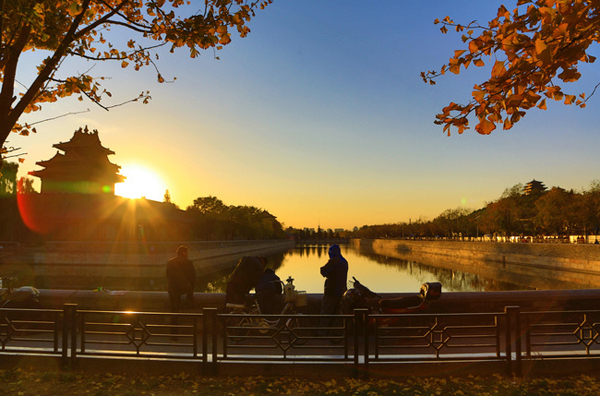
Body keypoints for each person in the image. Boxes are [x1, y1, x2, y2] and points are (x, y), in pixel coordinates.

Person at [319, 244, 348, 335]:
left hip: (331, 291)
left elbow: (323, 271)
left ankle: (322, 332)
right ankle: (333, 332)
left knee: (326, 312)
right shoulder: (344, 261)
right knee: (335, 313)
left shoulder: (334, 261)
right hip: (341, 291)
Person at [166, 245, 196, 313]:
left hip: (172, 288)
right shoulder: (188, 262)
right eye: (187, 253)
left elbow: (168, 275)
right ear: (183, 253)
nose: (187, 254)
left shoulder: (170, 262)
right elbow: (192, 277)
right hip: (184, 288)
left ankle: (174, 322)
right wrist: (190, 292)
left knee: (174, 308)